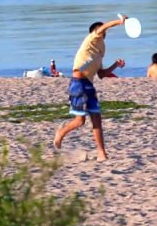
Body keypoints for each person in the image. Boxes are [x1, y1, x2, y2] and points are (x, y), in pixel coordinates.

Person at [52, 17, 127, 161]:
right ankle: (61, 133)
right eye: (101, 29)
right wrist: (119, 22)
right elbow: (104, 27)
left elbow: (101, 74)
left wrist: (115, 65)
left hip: (89, 85)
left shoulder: (99, 51)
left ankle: (101, 154)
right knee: (80, 121)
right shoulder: (90, 39)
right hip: (78, 83)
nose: (104, 32)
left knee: (97, 119)